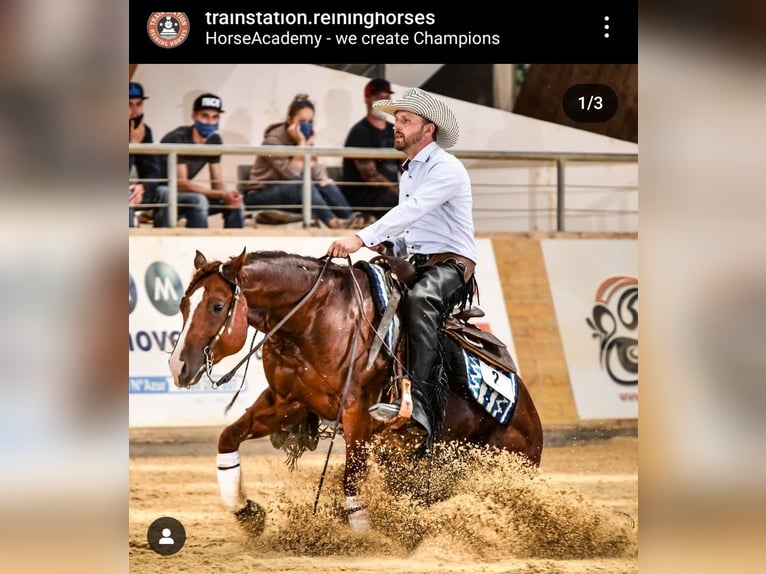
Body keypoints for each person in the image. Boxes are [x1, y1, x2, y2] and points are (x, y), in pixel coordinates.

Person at [327, 88, 478, 450]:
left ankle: (422, 408)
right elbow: (414, 229)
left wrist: (361, 237)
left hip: (453, 266)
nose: (397, 126)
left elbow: (413, 211)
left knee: (420, 301)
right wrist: (391, 246)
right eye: (397, 120)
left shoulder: (446, 167)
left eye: (406, 121)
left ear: (428, 130)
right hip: (419, 262)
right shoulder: (410, 169)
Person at [242, 93, 359, 229]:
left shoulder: (305, 140)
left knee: (325, 184)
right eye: (302, 121)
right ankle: (334, 224)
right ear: (290, 120)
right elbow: (292, 174)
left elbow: (319, 176)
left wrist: (308, 144)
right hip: (259, 196)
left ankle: (351, 222)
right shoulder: (273, 141)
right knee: (301, 184)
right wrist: (302, 144)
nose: (307, 125)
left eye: (310, 122)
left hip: (291, 194)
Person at [159, 93, 245, 228]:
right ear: (194, 116)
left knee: (236, 204)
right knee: (199, 201)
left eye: (215, 117)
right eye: (205, 116)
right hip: (163, 193)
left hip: (183, 194)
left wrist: (229, 195)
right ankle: (198, 248)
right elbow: (181, 184)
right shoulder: (177, 138)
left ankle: (237, 248)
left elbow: (217, 181)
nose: (210, 122)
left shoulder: (214, 140)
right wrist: (221, 194)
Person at [342, 78, 401, 223]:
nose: (384, 102)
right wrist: (401, 195)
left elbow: (407, 164)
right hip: (366, 198)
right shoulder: (360, 132)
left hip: (389, 196)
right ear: (367, 99)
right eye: (379, 98)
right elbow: (370, 176)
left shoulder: (393, 129)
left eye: (387, 98)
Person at [129, 82, 170, 227]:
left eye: (138, 104)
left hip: (133, 190)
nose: (135, 111)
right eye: (129, 105)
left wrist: (143, 186)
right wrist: (133, 145)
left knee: (165, 193)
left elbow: (153, 171)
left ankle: (166, 244)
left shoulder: (145, 131)